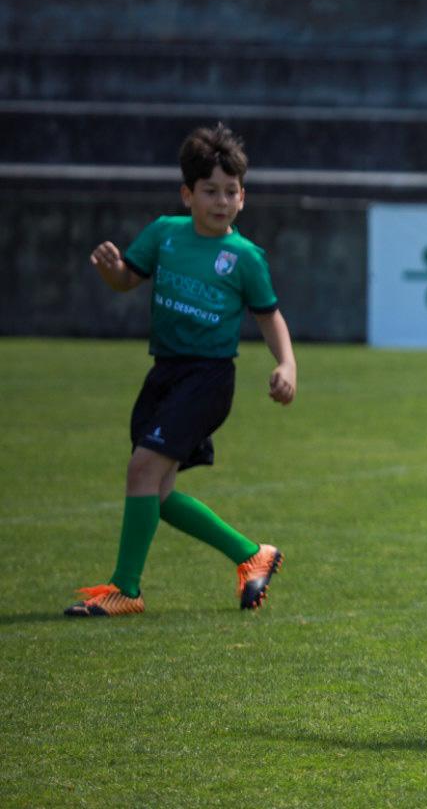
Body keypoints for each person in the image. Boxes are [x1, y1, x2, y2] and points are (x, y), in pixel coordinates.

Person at [65, 123, 294, 617]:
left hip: (208, 379)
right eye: (210, 190)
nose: (221, 200)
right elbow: (128, 279)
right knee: (158, 492)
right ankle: (252, 554)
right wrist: (110, 271)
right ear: (187, 194)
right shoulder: (164, 235)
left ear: (243, 197)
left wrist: (287, 364)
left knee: (142, 470)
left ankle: (125, 588)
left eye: (230, 191)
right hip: (165, 374)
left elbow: (267, 314)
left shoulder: (245, 257)